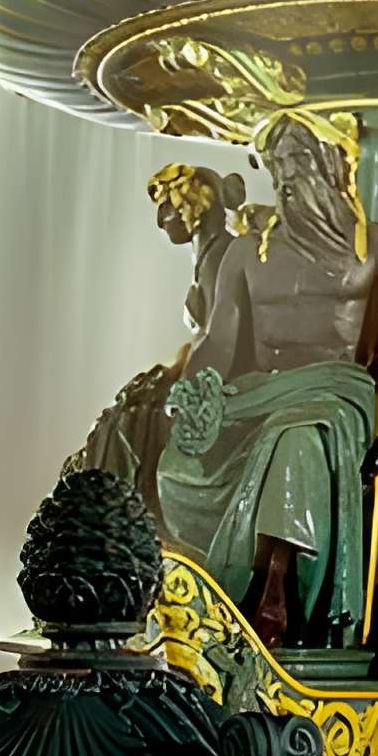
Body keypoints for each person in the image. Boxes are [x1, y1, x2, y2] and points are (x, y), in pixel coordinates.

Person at [157, 113, 378, 645]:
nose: (287, 176)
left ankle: (274, 593)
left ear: (335, 166)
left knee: (296, 437)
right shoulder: (245, 252)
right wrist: (190, 394)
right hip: (262, 391)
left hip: (337, 393)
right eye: (277, 163)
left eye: (299, 159)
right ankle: (196, 594)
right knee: (177, 457)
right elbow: (217, 342)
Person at [67, 163, 265, 522]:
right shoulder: (210, 254)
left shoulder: (222, 256)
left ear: (195, 204)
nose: (162, 220)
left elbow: (222, 340)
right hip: (210, 369)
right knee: (128, 409)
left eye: (167, 206)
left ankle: (128, 516)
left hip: (226, 378)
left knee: (129, 419)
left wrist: (182, 385)